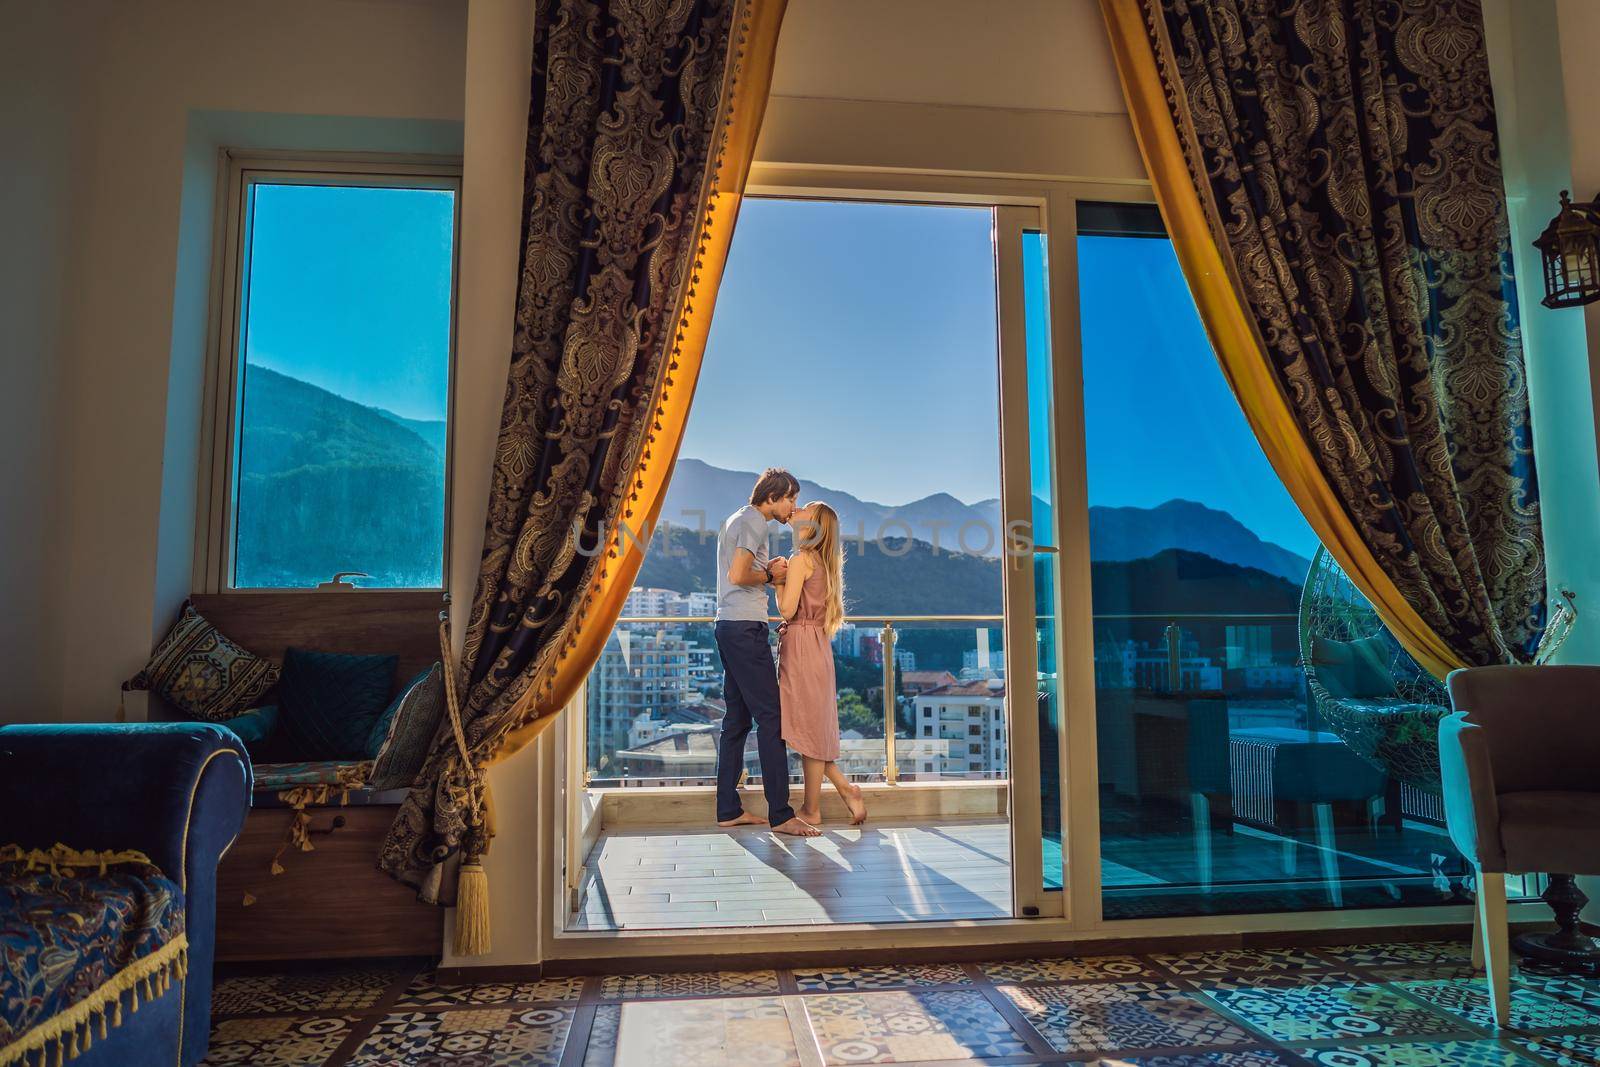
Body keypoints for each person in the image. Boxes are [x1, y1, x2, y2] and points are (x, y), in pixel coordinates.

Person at [713, 468, 819, 837]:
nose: (793, 506)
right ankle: (782, 814)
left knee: (738, 720)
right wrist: (773, 577)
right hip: (744, 628)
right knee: (772, 718)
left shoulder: (737, 519)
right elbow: (739, 575)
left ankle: (728, 809)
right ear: (772, 497)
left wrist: (765, 571)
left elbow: (739, 571)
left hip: (730, 625)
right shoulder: (754, 521)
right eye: (790, 498)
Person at [776, 501, 867, 827]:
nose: (797, 508)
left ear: (812, 525)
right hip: (817, 647)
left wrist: (776, 580)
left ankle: (812, 809)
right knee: (811, 728)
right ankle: (845, 789)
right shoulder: (824, 564)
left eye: (806, 508)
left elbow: (787, 611)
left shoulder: (800, 561)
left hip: (800, 646)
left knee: (807, 729)